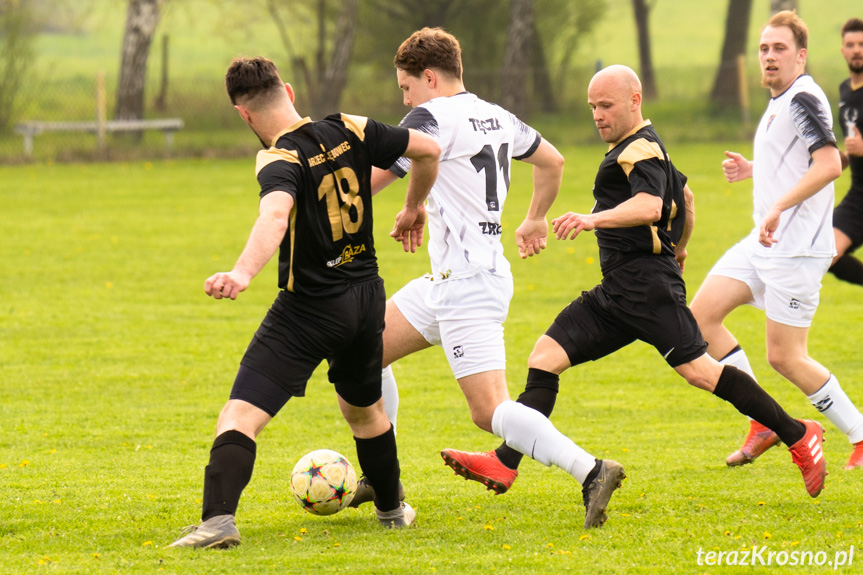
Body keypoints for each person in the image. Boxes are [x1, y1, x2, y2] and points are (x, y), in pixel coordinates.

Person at [441, 64, 828, 509]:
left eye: (606, 106)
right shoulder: (642, 145)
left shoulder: (639, 147)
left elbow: (650, 204)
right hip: (618, 291)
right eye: (592, 107)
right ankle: (506, 461)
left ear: (634, 100)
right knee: (544, 358)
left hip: (646, 289)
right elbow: (685, 199)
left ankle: (800, 434)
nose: (598, 115)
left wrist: (592, 219)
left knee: (700, 372)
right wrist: (679, 249)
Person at [347, 27, 622, 529]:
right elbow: (553, 160)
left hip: (467, 284)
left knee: (488, 410)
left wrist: (327, 199)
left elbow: (371, 182)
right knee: (362, 348)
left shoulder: (429, 117)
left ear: (429, 77)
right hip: (456, 278)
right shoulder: (496, 115)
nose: (403, 98)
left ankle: (591, 470)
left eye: (406, 87)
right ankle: (380, 473)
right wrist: (536, 216)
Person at [169, 56, 441, 549]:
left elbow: (275, 217)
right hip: (365, 299)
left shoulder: (278, 158)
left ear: (243, 115)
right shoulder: (351, 126)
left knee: (240, 415)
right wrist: (413, 205)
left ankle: (217, 523)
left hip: (310, 306)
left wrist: (241, 272)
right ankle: (391, 510)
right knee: (365, 413)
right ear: (289, 92)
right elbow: (428, 150)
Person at [688, 11, 863, 471]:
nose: (769, 56)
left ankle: (860, 434)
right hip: (763, 243)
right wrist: (754, 169)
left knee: (785, 356)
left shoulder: (803, 98)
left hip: (796, 249)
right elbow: (796, 159)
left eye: (779, 48)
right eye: (764, 48)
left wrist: (778, 206)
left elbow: (830, 164)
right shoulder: (781, 99)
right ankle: (761, 420)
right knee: (700, 320)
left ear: (800, 56)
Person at [829, 18, 863, 286]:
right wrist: (841, 158)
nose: (856, 50)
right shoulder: (844, 90)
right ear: (842, 50)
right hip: (859, 196)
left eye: (861, 44)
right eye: (850, 45)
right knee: (826, 254)